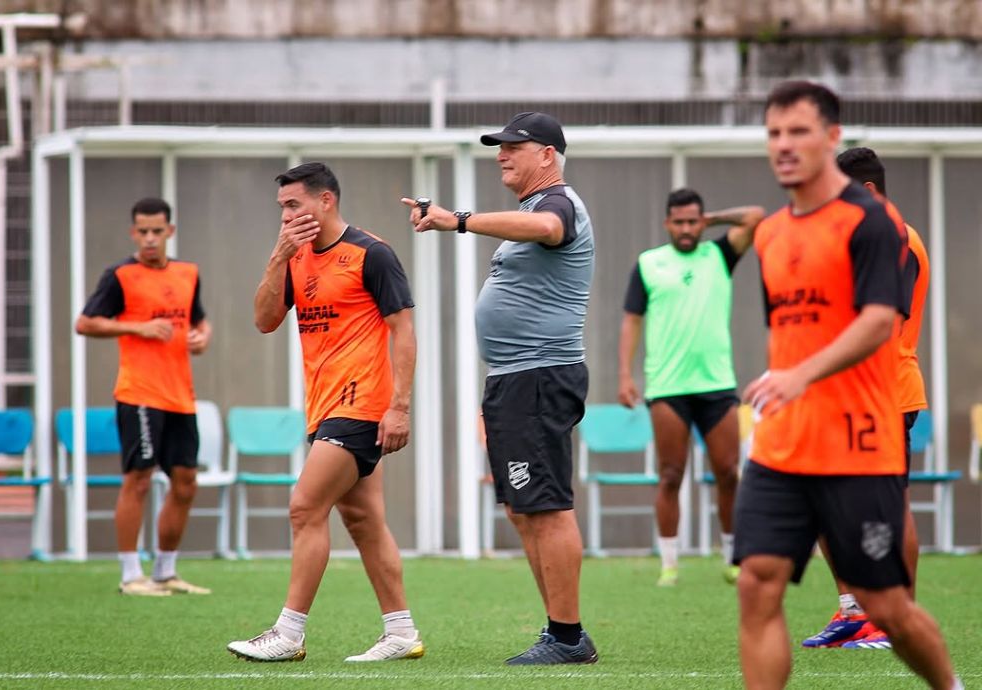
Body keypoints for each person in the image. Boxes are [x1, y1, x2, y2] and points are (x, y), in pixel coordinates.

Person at [735, 80, 960, 690]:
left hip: (859, 437)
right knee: (757, 582)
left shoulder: (875, 223)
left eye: (798, 132)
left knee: (886, 605)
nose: (784, 145)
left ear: (831, 139)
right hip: (786, 439)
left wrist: (801, 375)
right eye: (774, 133)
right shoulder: (773, 233)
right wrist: (777, 381)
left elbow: (880, 321)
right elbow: (788, 330)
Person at [403, 111, 597, 665]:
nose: (501, 154)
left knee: (548, 506)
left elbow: (550, 230)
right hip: (515, 378)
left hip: (540, 375)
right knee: (521, 506)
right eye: (499, 146)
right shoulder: (529, 207)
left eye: (515, 145)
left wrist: (457, 220)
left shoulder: (558, 202)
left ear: (548, 155)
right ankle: (564, 633)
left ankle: (565, 638)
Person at [227, 162, 422, 663]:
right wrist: (277, 257)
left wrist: (399, 407)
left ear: (326, 201)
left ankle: (289, 634)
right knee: (363, 521)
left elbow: (404, 330)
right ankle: (401, 632)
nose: (287, 216)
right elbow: (265, 320)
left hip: (361, 405)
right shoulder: (293, 258)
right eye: (282, 209)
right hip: (324, 407)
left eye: (294, 205)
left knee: (304, 507)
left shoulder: (371, 253)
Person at [802, 146, 930, 650]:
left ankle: (898, 620)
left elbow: (879, 326)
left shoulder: (898, 239)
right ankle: (856, 610)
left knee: (887, 508)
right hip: (841, 392)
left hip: (885, 394)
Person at [618, 188, 764, 587]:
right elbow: (632, 319)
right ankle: (669, 563)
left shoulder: (719, 254)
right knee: (670, 474)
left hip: (717, 384)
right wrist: (625, 375)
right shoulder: (649, 264)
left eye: (692, 221)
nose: (686, 229)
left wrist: (713, 217)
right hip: (667, 386)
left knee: (729, 473)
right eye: (679, 222)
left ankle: (734, 558)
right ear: (667, 223)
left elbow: (755, 214)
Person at [76, 197, 213, 597]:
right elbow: (85, 322)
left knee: (186, 482)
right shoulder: (120, 276)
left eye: (158, 231)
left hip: (180, 395)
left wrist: (202, 337)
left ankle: (165, 572)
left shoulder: (189, 273)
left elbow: (199, 320)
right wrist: (138, 327)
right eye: (143, 231)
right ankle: (129, 574)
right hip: (139, 393)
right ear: (133, 232)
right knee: (138, 478)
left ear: (170, 231)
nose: (150, 238)